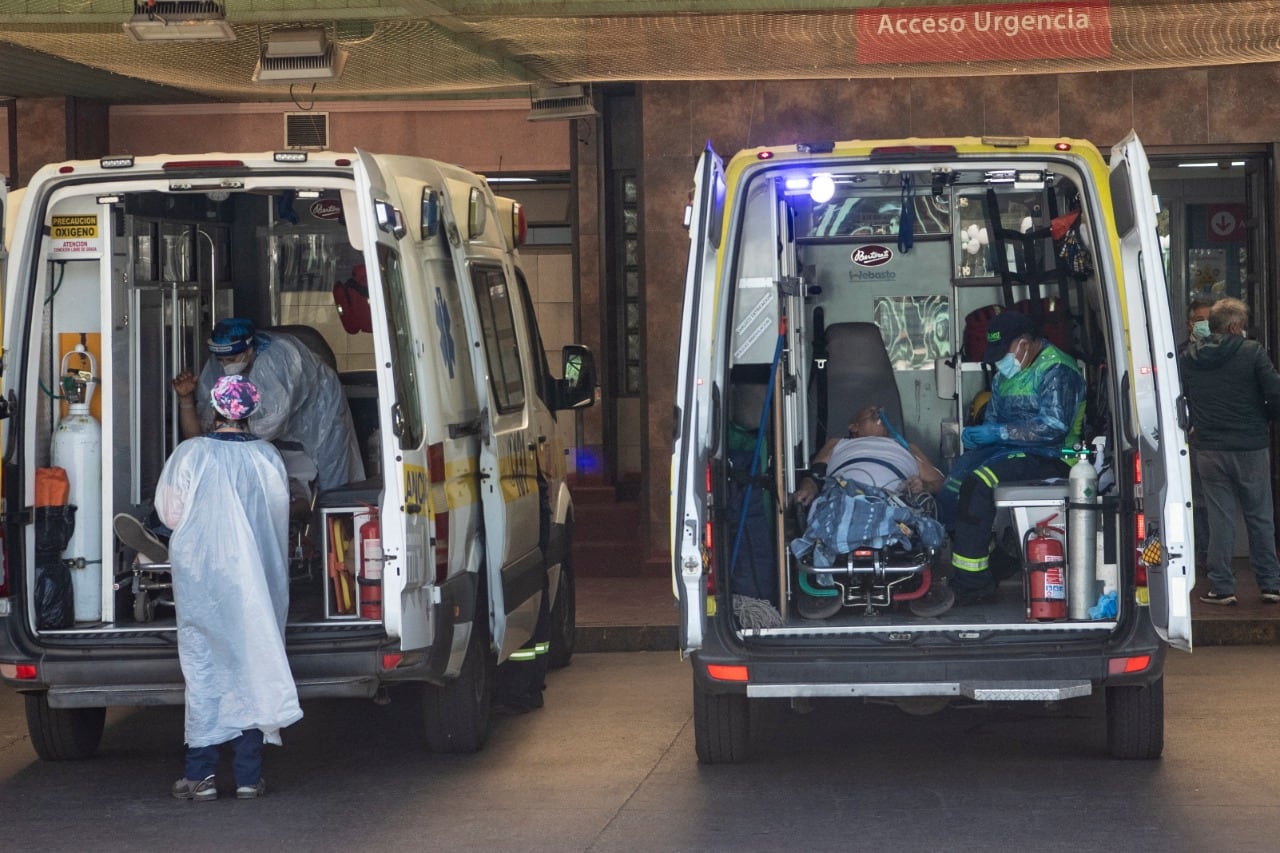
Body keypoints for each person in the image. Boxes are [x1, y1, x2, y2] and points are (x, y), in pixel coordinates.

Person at [162, 375, 302, 801]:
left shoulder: (192, 454)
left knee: (204, 671)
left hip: (203, 581)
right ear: (250, 412)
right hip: (257, 583)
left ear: (214, 409)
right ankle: (247, 777)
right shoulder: (268, 457)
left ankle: (200, 776)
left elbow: (169, 514)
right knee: (252, 665)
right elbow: (280, 514)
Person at [939, 311, 1086, 603]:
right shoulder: (1005, 375)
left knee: (978, 485)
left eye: (1003, 351)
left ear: (1023, 343)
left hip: (1052, 455)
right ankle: (993, 560)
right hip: (1008, 451)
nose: (999, 361)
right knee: (951, 486)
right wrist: (980, 434)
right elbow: (994, 416)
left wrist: (999, 434)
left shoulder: (1057, 369)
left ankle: (973, 584)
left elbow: (1054, 428)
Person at [172, 318, 364, 499]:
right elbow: (200, 433)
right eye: (221, 360)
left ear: (248, 349)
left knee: (334, 484)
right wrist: (186, 399)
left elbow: (269, 422)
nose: (224, 366)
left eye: (230, 359)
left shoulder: (279, 360)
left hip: (319, 412)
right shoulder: (258, 453)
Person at [1180, 297, 1280, 605]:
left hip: (1208, 448)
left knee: (1219, 518)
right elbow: (1275, 392)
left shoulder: (1189, 357)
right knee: (1259, 515)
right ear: (1235, 326)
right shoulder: (1252, 352)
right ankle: (1270, 584)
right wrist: (1265, 418)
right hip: (1249, 445)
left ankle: (1221, 586)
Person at [792, 404, 944, 507]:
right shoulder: (837, 443)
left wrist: (923, 486)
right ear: (854, 427)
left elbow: (940, 482)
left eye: (878, 411)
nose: (877, 411)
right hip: (844, 497)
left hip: (895, 500)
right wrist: (808, 489)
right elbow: (815, 476)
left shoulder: (906, 447)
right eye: (870, 412)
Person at [1180, 296, 1216, 569]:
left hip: (1215, 434)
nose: (1204, 325)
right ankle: (1200, 552)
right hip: (1189, 434)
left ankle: (1211, 554)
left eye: (1209, 320)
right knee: (1195, 498)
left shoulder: (1225, 352)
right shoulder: (1178, 354)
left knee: (1212, 499)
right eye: (1199, 320)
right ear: (1189, 323)